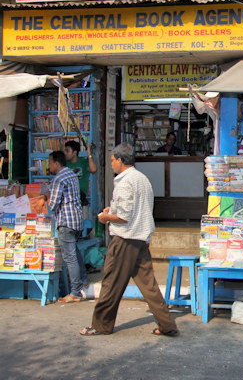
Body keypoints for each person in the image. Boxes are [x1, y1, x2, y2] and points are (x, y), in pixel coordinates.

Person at [80, 143, 178, 337]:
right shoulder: (142, 179)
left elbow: (124, 216)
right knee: (149, 286)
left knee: (110, 283)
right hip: (140, 239)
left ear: (120, 160)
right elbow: (135, 209)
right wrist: (112, 211)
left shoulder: (124, 181)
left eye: (112, 160)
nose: (111, 164)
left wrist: (105, 217)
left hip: (125, 239)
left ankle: (101, 325)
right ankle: (167, 325)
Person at [44, 151, 88, 303]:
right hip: (76, 220)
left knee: (69, 257)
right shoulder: (71, 174)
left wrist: (45, 199)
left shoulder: (59, 179)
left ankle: (75, 292)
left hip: (65, 221)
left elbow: (54, 204)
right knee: (74, 251)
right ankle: (83, 279)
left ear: (57, 163)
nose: (48, 166)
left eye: (49, 163)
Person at [64, 140, 97, 204]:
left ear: (74, 152)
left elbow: (93, 169)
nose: (65, 153)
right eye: (65, 151)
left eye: (67, 151)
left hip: (79, 193)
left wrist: (89, 154)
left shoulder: (83, 162)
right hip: (67, 193)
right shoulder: (65, 164)